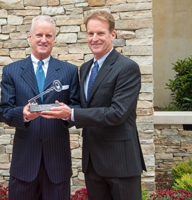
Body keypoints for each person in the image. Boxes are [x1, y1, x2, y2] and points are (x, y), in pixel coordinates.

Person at [40, 10, 147, 200]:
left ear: (112, 35)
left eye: (100, 33)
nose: (94, 38)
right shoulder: (87, 68)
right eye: (90, 33)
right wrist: (63, 111)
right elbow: (85, 107)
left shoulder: (127, 68)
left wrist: (72, 113)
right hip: (93, 163)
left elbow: (117, 113)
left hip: (121, 162)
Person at [0, 16, 80, 200]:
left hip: (57, 164)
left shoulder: (69, 71)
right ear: (29, 37)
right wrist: (23, 115)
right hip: (24, 164)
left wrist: (67, 114)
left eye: (48, 35)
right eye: (39, 35)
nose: (44, 39)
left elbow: (77, 107)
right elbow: (5, 110)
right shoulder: (11, 71)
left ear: (54, 39)